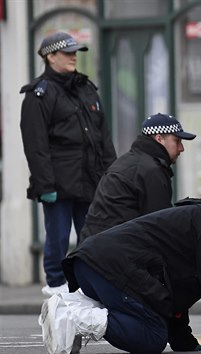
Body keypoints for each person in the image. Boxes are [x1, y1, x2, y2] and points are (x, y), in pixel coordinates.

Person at [38, 198, 201, 354]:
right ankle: (73, 316)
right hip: (107, 267)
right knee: (153, 335)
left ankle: (73, 304)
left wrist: (183, 343)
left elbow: (176, 299)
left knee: (154, 320)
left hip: (91, 266)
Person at [19, 31, 117, 297]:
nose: (74, 57)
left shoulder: (86, 88)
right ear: (50, 56)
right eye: (67, 52)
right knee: (59, 237)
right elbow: (35, 145)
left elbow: (103, 137)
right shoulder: (39, 95)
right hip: (58, 182)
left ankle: (88, 282)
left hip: (90, 178)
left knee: (93, 235)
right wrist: (45, 184)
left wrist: (112, 175)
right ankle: (55, 283)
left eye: (76, 52)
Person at [79, 113, 196, 242]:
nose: (181, 148)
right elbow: (161, 227)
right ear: (159, 139)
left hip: (96, 247)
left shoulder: (135, 161)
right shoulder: (150, 170)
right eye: (177, 141)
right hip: (113, 251)